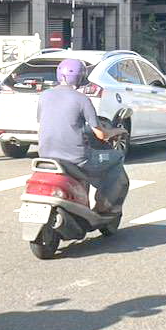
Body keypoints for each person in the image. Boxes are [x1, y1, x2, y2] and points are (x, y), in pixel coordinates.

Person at [37, 58, 128, 214]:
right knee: (116, 157)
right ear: (80, 79)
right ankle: (104, 207)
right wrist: (118, 131)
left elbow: (46, 121)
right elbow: (101, 134)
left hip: (46, 155)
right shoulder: (82, 99)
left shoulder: (44, 96)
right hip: (78, 159)